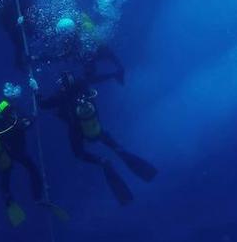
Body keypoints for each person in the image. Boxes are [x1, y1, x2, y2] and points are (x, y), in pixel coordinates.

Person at [35, 72, 157, 205]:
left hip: (77, 131)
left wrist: (36, 91)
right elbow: (94, 79)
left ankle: (102, 161)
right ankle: (131, 159)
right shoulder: (82, 85)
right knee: (113, 144)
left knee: (78, 153)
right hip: (95, 126)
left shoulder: (60, 95)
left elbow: (43, 105)